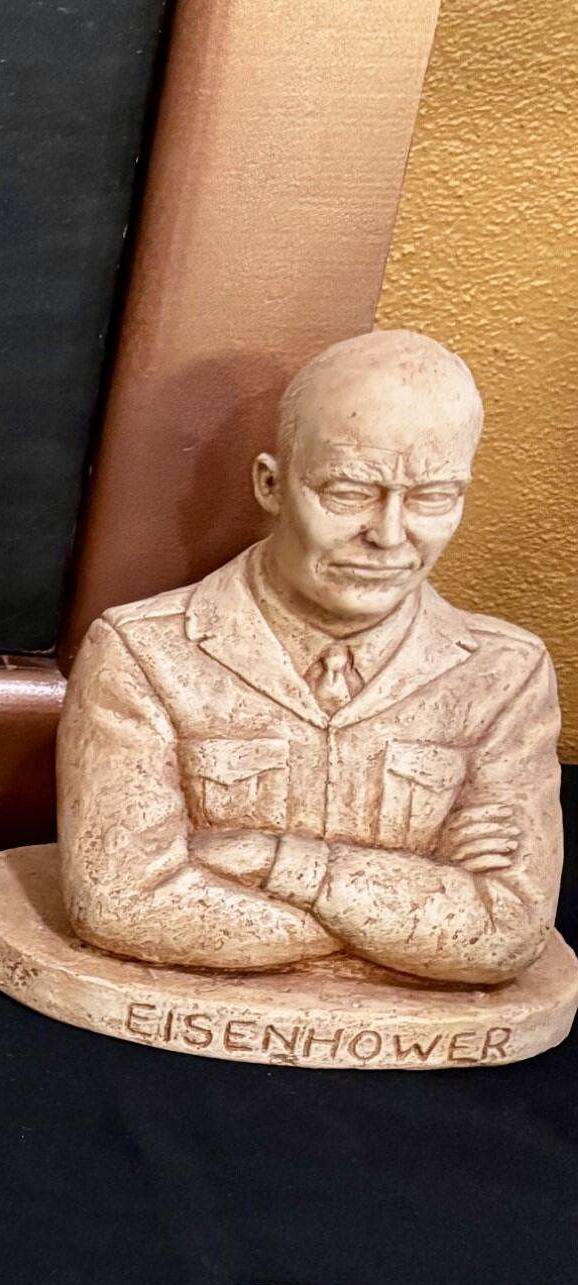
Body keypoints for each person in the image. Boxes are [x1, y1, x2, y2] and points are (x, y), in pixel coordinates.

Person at [58, 329, 561, 986]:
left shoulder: (505, 675)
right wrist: (412, 925)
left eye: (433, 497)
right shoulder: (144, 653)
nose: (387, 536)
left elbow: (507, 933)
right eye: (349, 491)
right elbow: (119, 901)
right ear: (271, 484)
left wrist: (276, 862)